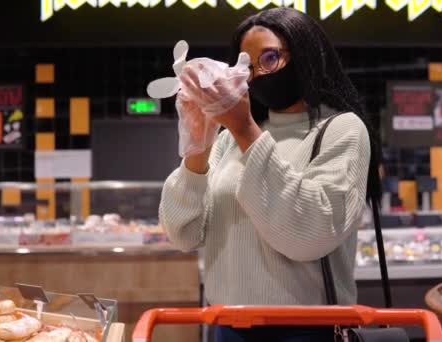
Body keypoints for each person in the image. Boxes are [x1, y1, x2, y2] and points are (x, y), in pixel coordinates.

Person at [159, 8, 382, 342]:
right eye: (246, 65)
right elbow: (182, 234)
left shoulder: (341, 129)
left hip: (305, 331)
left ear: (305, 54)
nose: (256, 73)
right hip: (226, 324)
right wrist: (197, 144)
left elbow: (310, 234)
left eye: (270, 58)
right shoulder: (228, 141)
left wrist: (244, 128)